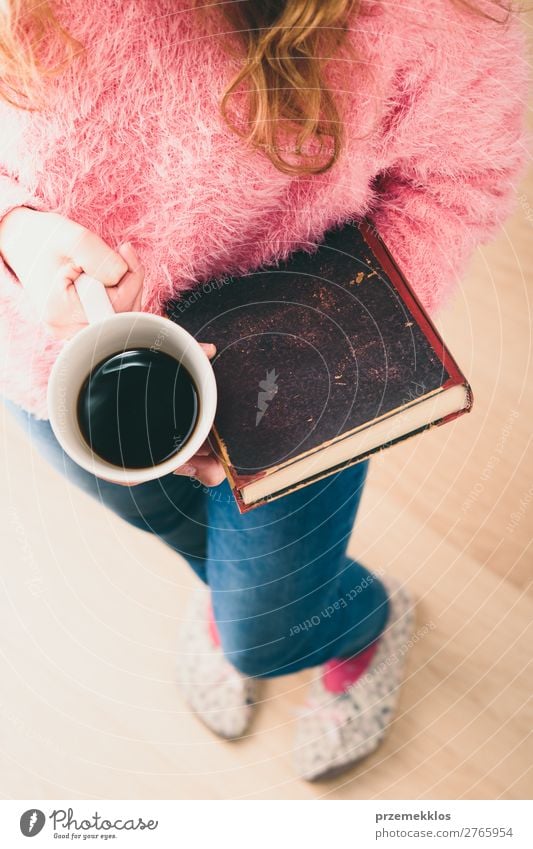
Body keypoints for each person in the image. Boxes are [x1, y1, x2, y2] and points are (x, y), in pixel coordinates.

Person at [0, 0, 529, 782]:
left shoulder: (429, 20)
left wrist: (319, 350)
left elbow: (460, 181)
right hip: (47, 367)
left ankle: (357, 626)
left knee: (270, 631)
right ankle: (245, 593)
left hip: (295, 385)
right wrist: (17, 230)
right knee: (159, 517)